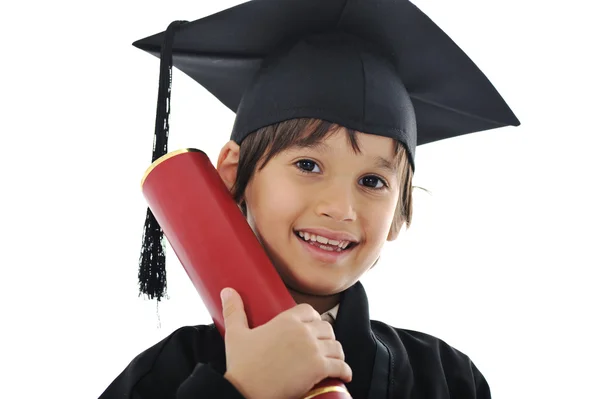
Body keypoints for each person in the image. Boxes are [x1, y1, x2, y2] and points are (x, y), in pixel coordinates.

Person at [100, 0, 519, 398]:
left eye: (372, 181)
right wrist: (239, 393)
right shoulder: (166, 374)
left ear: (399, 213)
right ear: (233, 174)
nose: (340, 207)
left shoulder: (447, 380)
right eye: (308, 166)